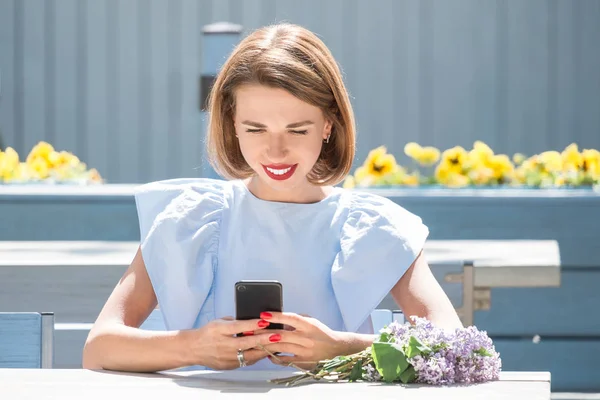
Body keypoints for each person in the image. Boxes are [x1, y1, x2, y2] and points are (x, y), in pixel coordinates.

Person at [82, 23, 462, 373]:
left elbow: (454, 346)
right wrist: (194, 348)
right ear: (232, 124)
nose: (275, 151)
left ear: (328, 125)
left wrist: (341, 348)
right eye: (255, 128)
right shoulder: (191, 216)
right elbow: (100, 347)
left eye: (297, 130)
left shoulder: (373, 226)